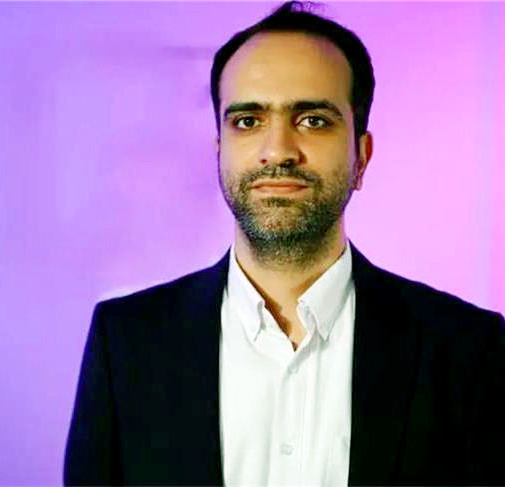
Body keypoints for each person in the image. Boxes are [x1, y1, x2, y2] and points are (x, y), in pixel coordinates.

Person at [64, 2, 505, 485]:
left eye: (313, 119)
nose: (277, 150)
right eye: (247, 121)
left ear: (361, 157)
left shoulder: (469, 349)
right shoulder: (125, 343)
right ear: (219, 150)